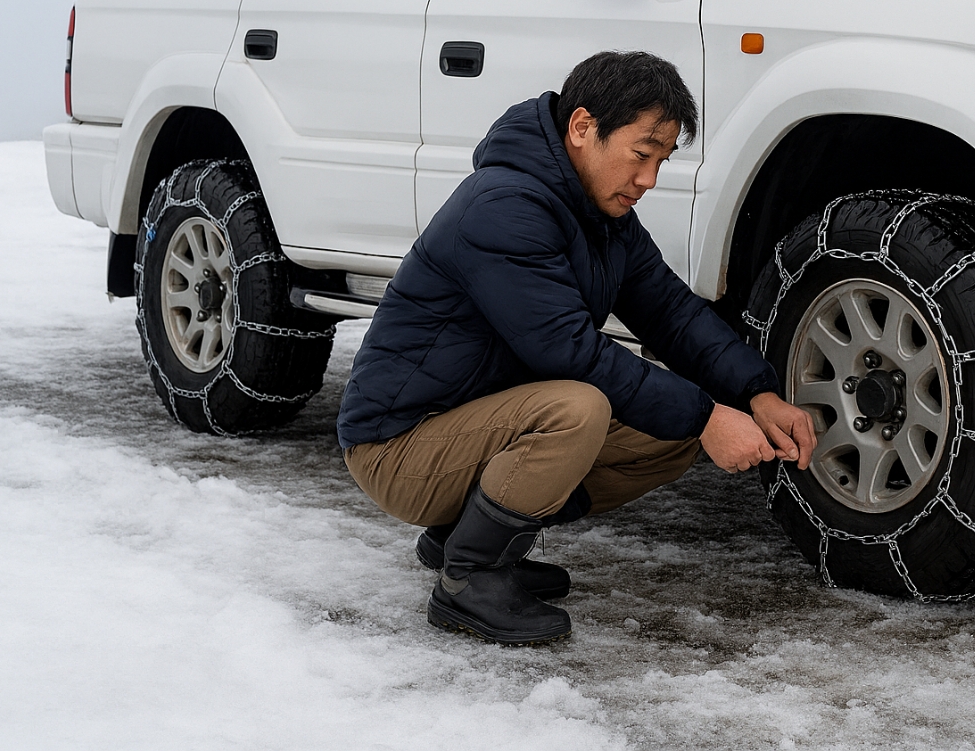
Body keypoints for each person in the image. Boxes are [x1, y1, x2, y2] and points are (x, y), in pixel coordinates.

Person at [337, 51, 816, 645]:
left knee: (670, 434)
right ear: (583, 128)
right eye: (641, 155)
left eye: (661, 161)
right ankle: (470, 578)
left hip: (473, 423)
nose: (648, 180)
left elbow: (671, 312)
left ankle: (464, 536)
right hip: (399, 445)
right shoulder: (504, 207)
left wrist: (755, 391)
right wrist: (708, 414)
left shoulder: (600, 214)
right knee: (578, 407)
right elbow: (567, 351)